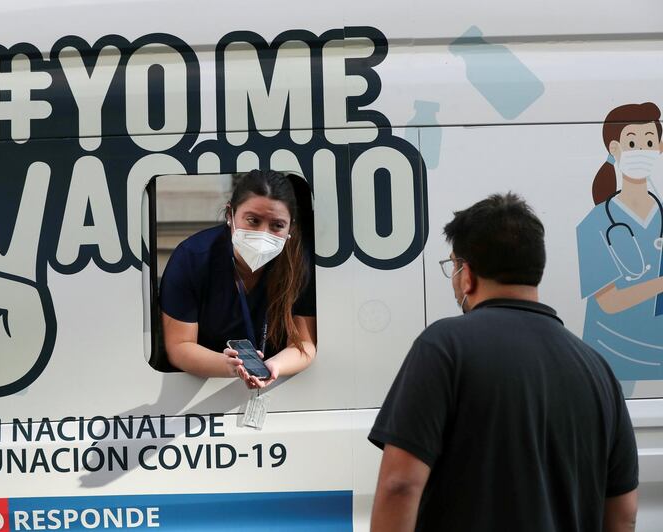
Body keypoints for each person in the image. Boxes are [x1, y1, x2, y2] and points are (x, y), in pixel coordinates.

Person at [369, 194, 638, 531]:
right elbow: (623, 512)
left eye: (452, 266)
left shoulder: (443, 347)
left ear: (466, 274)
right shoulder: (597, 370)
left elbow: (400, 485)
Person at [159, 169, 317, 388]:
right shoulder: (192, 258)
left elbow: (305, 344)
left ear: (291, 227)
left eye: (277, 225)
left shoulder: (298, 262)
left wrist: (274, 366)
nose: (264, 233)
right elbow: (179, 346)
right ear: (230, 215)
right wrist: (230, 366)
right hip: (203, 391)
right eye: (253, 221)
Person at [577, 102, 663, 388]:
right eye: (632, 143)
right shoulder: (596, 223)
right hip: (614, 362)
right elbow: (610, 302)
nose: (642, 151)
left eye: (649, 142)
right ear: (615, 150)